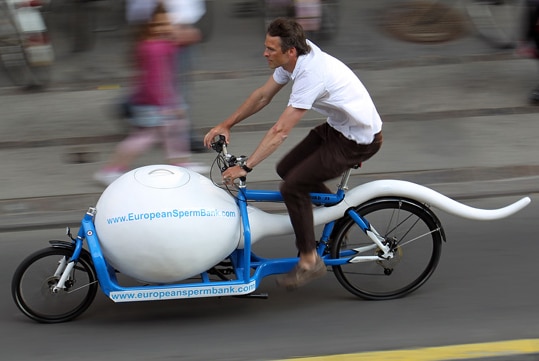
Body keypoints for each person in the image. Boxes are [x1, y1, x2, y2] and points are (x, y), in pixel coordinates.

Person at [203, 18, 383, 290]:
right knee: (287, 169)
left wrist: (247, 167)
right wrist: (227, 124)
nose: (265, 53)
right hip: (338, 128)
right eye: (266, 47)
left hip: (358, 140)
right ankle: (336, 218)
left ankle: (310, 261)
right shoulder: (293, 59)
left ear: (291, 51)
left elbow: (280, 131)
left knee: (292, 187)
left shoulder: (311, 74)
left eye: (270, 49)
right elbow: (263, 96)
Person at [94, 3, 206, 186]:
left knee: (174, 132)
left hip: (161, 100)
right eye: (158, 25)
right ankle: (110, 170)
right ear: (147, 27)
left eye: (166, 24)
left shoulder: (159, 45)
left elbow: (178, 44)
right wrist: (165, 105)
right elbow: (155, 81)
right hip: (155, 103)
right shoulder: (153, 49)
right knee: (144, 137)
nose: (163, 28)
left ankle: (182, 163)